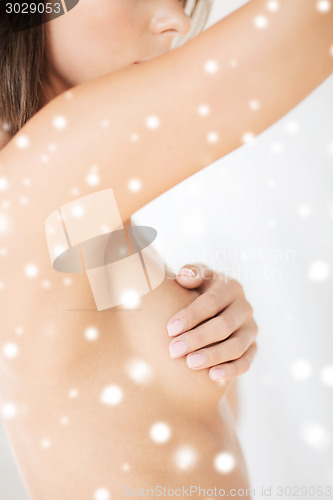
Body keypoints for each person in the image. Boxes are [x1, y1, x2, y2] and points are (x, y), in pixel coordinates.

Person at [0, 0, 331, 498]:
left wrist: (216, 334)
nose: (176, 21)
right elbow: (312, 22)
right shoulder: (45, 173)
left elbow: (170, 426)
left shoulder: (73, 206)